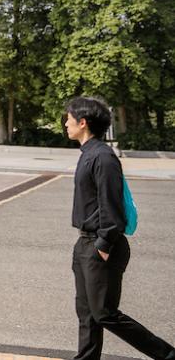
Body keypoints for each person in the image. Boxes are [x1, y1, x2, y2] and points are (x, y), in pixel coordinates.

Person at [65, 97, 175, 360]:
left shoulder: (103, 157)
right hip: (85, 243)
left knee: (104, 313)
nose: (65, 123)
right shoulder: (88, 154)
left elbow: (111, 207)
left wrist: (103, 246)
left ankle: (167, 354)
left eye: (69, 118)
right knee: (87, 313)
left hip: (102, 245)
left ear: (83, 122)